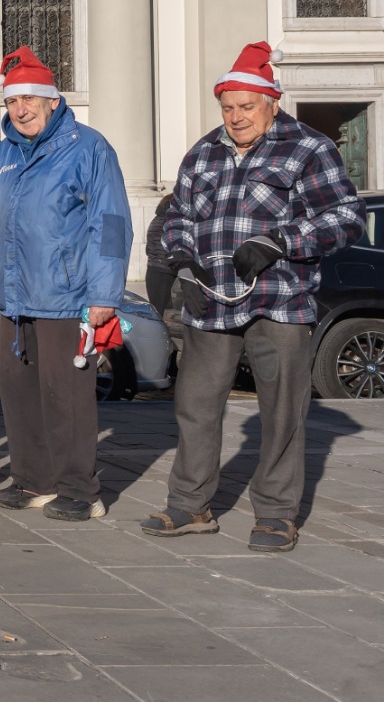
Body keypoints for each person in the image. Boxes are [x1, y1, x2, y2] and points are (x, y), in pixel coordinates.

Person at [145, 42, 365, 552]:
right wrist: (180, 259)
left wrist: (280, 242)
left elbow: (344, 218)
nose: (236, 116)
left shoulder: (309, 148)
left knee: (282, 410)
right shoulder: (203, 151)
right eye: (228, 106)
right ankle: (190, 505)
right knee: (195, 405)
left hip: (280, 301)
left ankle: (276, 514)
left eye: (247, 106)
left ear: (272, 102)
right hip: (211, 298)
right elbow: (177, 215)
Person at [0, 46, 131, 523]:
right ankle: (34, 481)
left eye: (28, 100)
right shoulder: (5, 152)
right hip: (14, 296)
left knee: (64, 397)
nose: (19, 109)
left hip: (65, 297)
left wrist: (105, 295)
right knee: (19, 392)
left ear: (51, 100)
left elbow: (109, 225)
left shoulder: (88, 148)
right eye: (11, 102)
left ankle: (81, 491)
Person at [143, 188, 176, 317]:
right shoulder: (169, 222)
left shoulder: (155, 220)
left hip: (152, 270)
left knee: (157, 310)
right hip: (166, 272)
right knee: (164, 314)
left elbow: (148, 248)